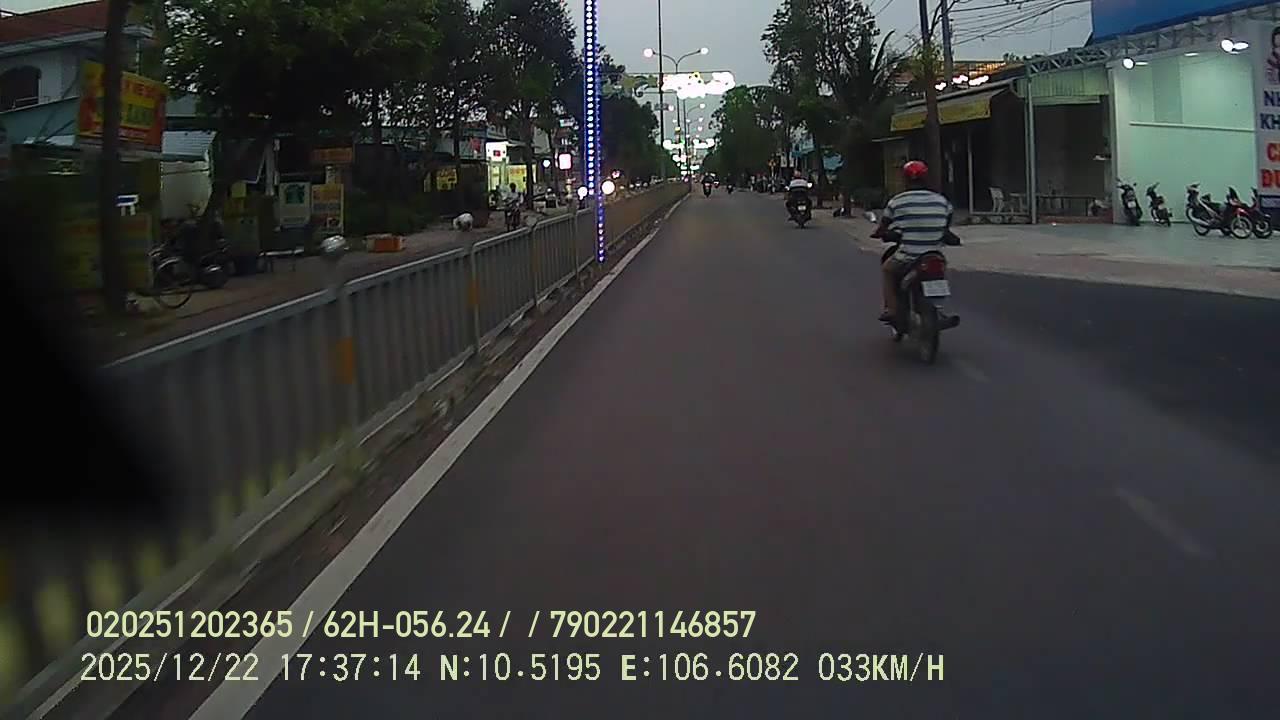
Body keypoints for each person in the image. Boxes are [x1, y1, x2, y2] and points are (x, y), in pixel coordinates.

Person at [875, 160, 952, 322]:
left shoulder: (897, 201)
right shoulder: (941, 201)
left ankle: (892, 309)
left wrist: (880, 233)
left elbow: (884, 226)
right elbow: (946, 226)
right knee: (939, 272)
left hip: (909, 255)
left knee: (887, 270)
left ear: (905, 179)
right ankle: (938, 309)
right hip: (934, 255)